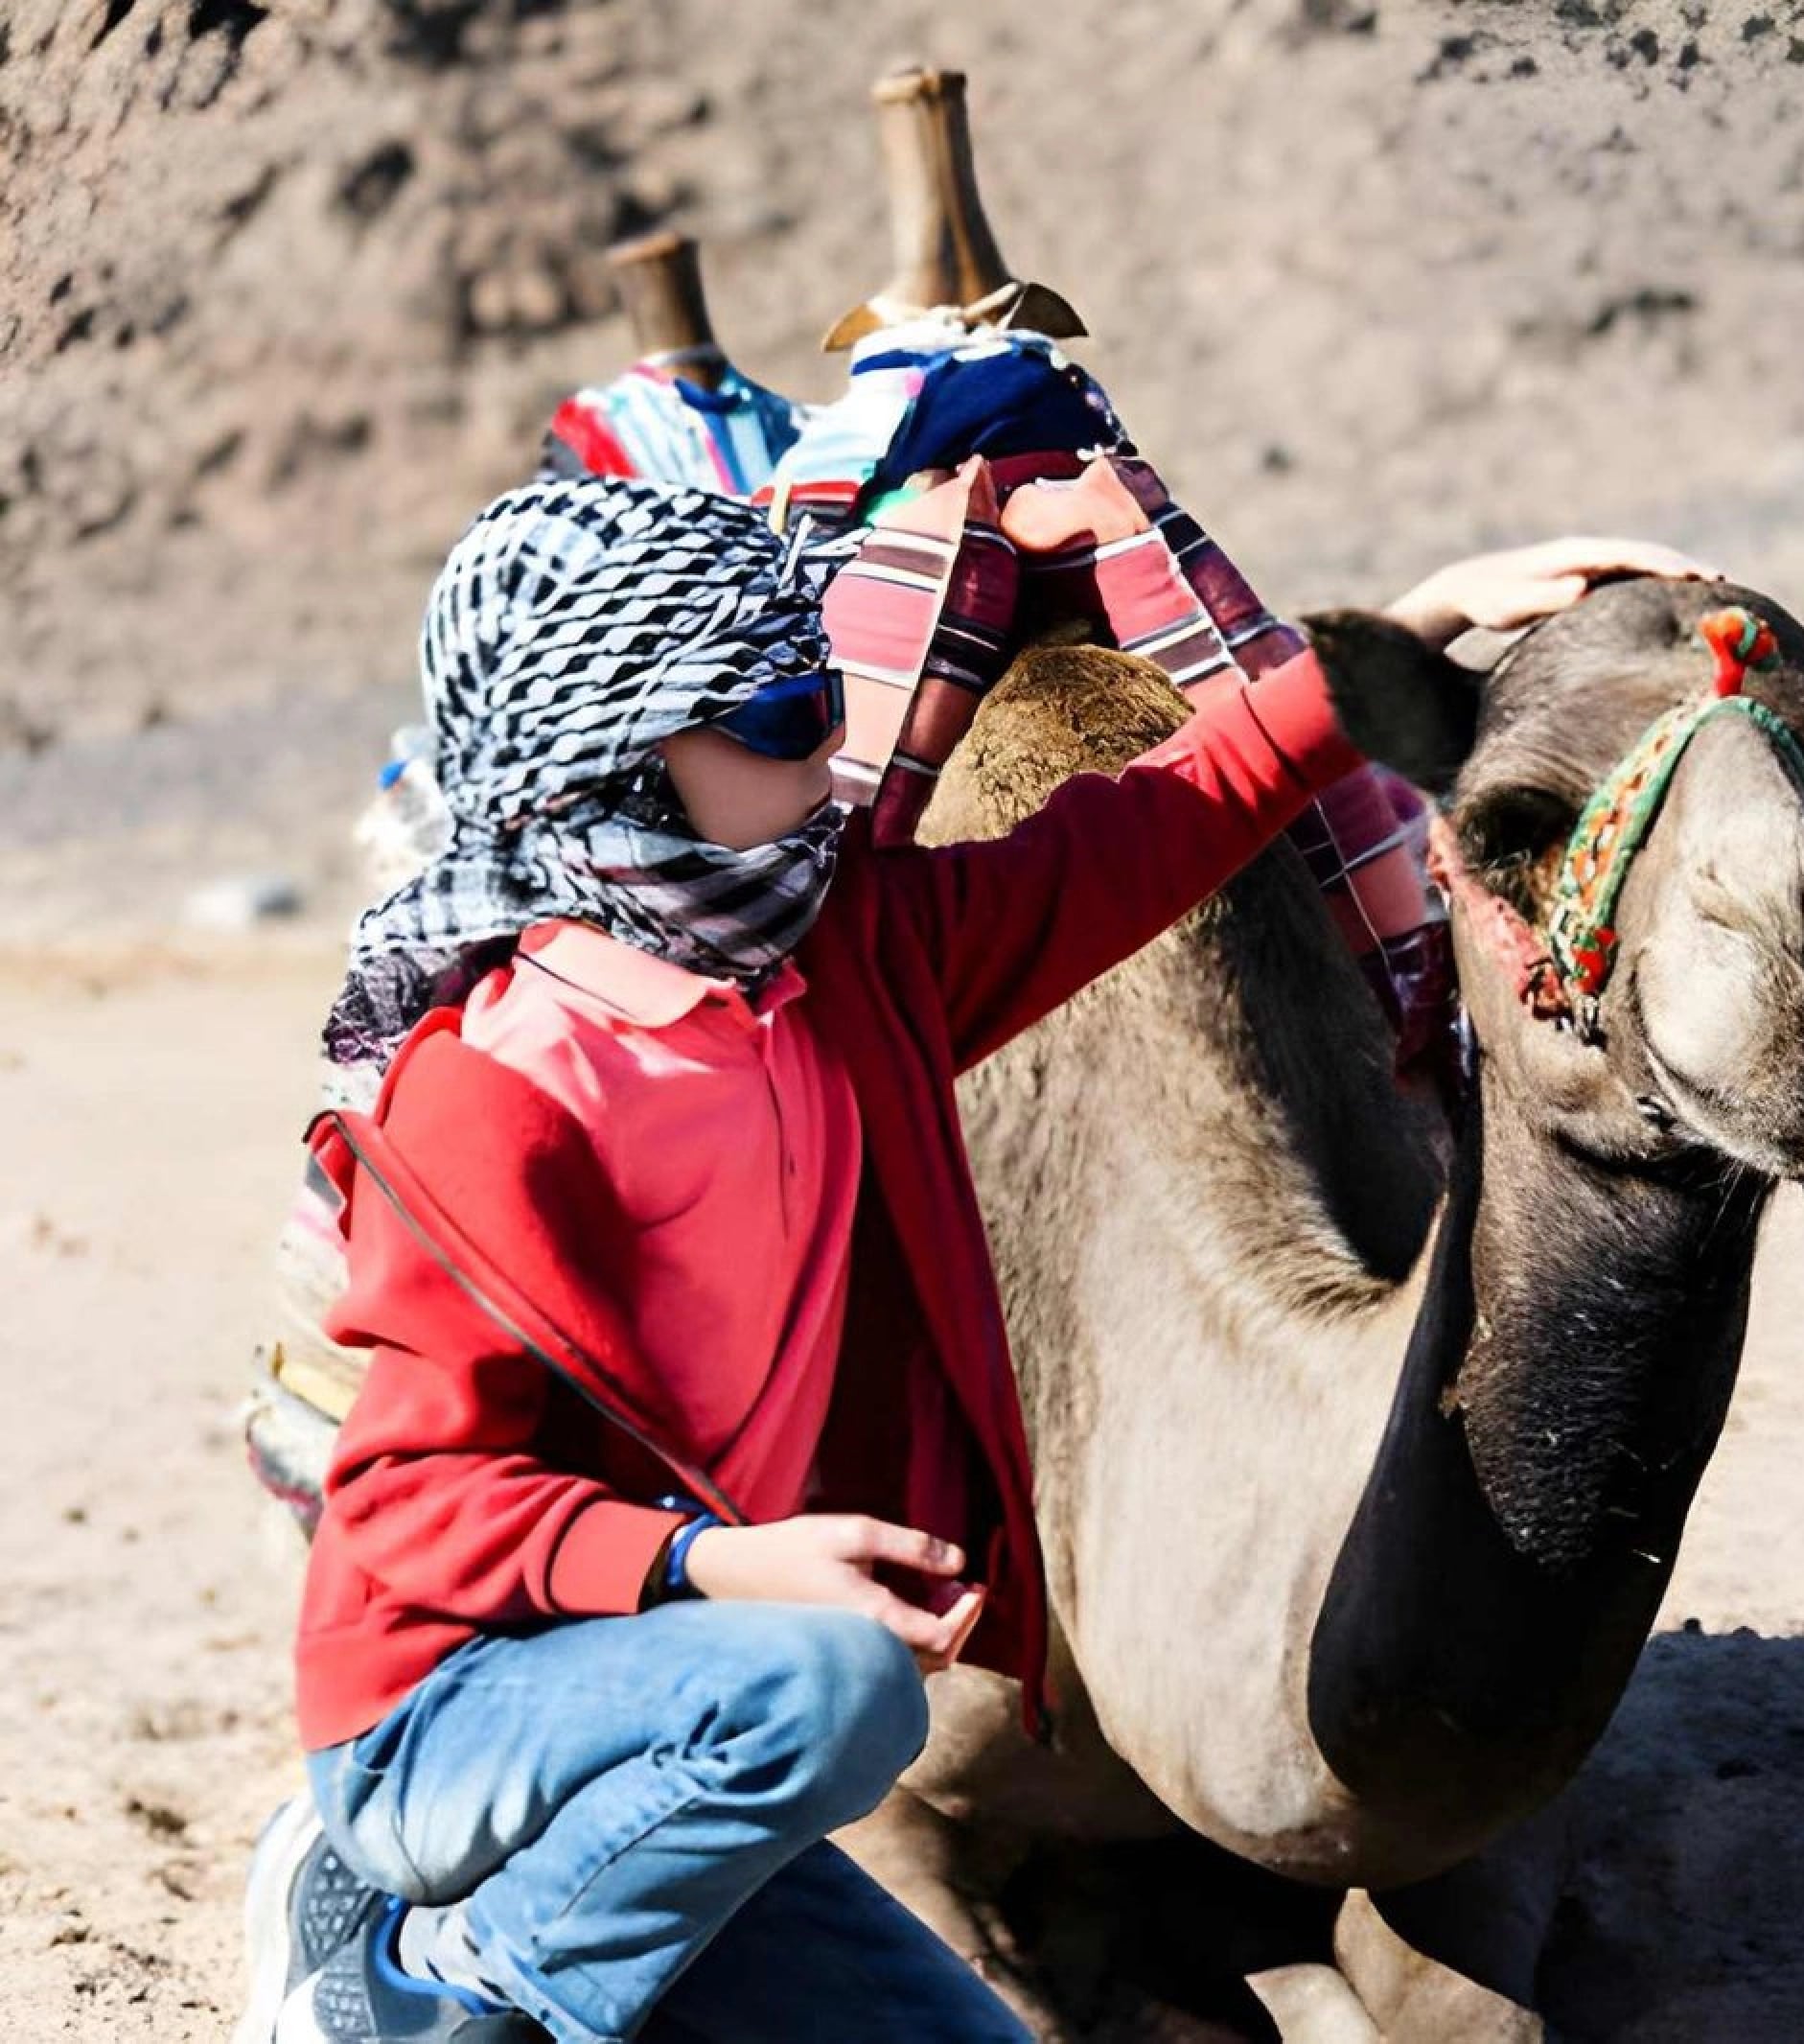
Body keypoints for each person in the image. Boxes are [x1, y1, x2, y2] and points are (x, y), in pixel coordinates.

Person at [237, 475, 1705, 2044]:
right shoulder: (500, 1094)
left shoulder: (851, 966)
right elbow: (411, 1505)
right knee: (835, 1691)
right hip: (462, 1712)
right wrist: (716, 1567)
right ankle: (421, 1982)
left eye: (825, 688)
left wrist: (1402, 634)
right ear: (627, 761)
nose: (832, 746)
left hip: (697, 1707)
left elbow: (1155, 825)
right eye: (782, 710)